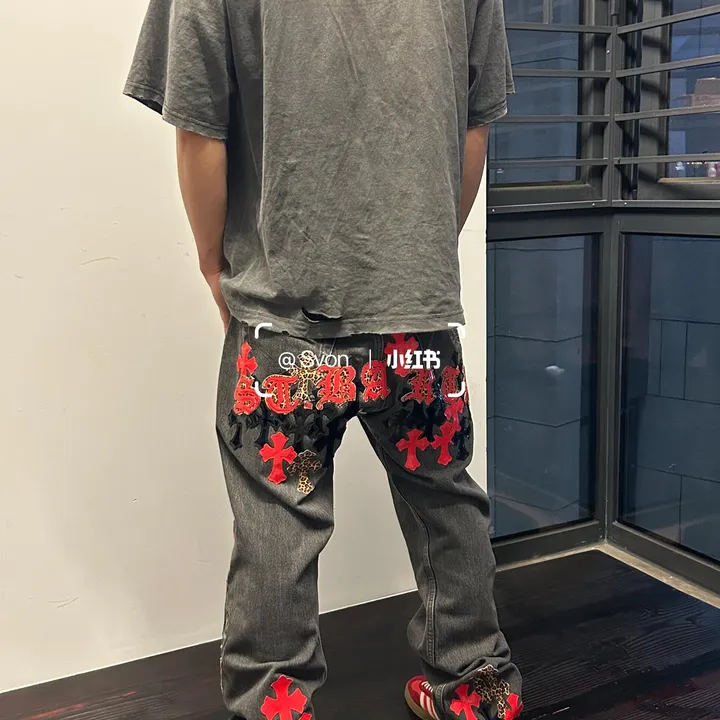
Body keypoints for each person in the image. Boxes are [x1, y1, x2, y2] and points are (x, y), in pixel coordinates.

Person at [124, 0, 521, 718]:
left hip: (283, 320)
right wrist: (416, 262)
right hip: (416, 321)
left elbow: (199, 124)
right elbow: (474, 127)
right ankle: (478, 692)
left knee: (278, 527)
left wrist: (215, 268)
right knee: (445, 506)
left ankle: (275, 706)